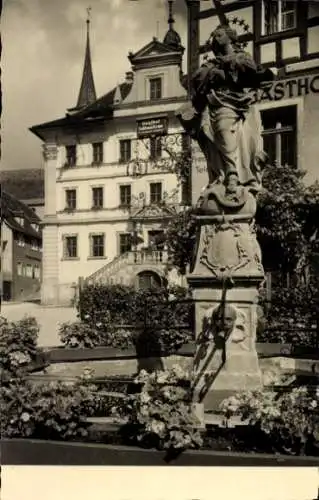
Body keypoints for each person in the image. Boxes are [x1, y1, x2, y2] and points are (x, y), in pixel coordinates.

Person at [185, 24, 275, 193]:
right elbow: (197, 78)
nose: (215, 37)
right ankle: (221, 174)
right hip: (213, 102)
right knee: (206, 132)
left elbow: (249, 68)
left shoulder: (241, 56)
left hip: (232, 101)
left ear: (230, 38)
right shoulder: (211, 63)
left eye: (219, 34)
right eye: (215, 35)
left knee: (223, 128)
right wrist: (214, 73)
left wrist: (224, 69)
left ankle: (232, 173)